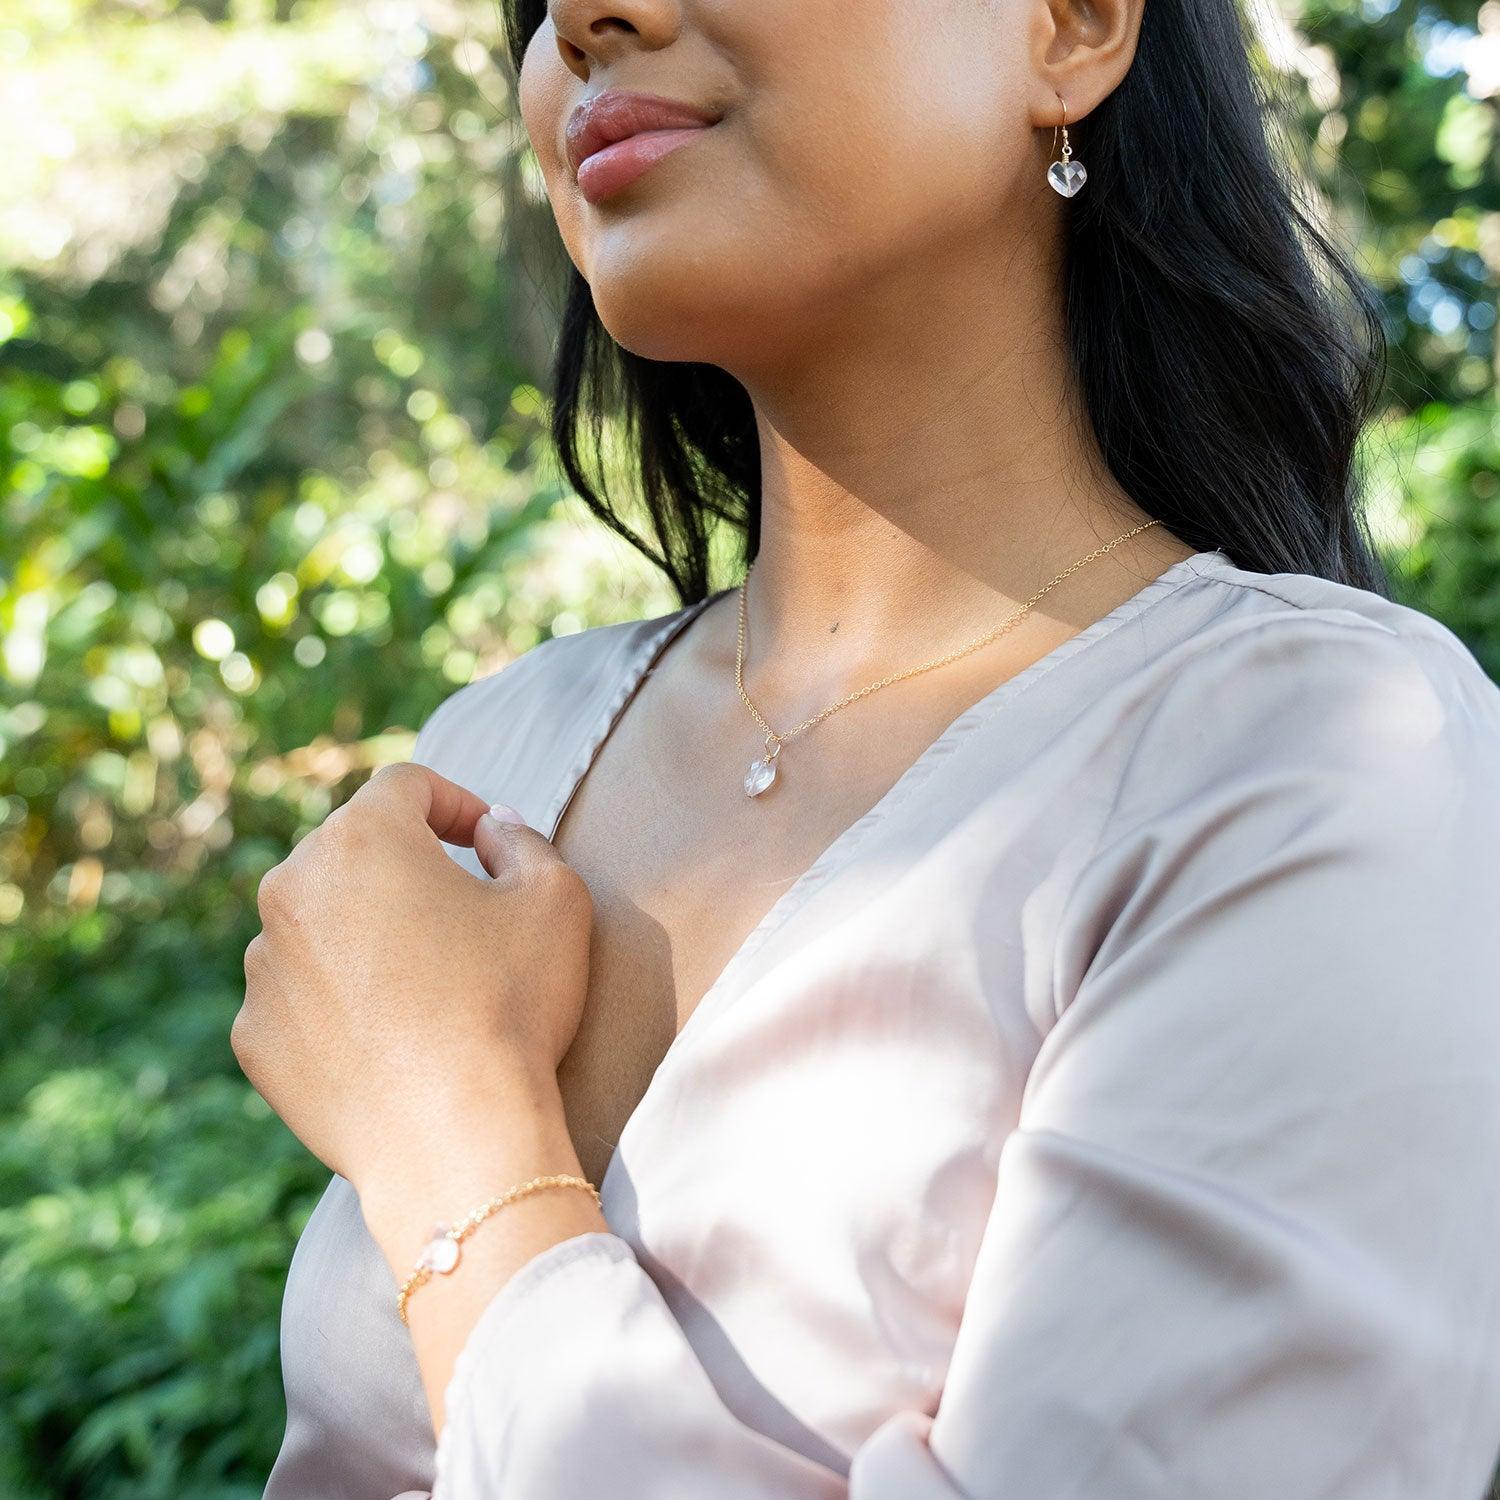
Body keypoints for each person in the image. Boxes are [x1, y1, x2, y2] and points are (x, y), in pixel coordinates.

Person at [240, 0, 1500, 1495]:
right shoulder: (493, 753)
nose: (585, 19)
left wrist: (456, 1146)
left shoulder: (1324, 757)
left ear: (1074, 26)